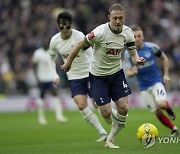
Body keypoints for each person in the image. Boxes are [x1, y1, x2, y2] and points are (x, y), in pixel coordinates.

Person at [61, 4, 145, 148]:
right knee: (106, 113)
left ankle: (110, 139)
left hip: (117, 74)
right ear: (109, 18)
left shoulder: (128, 33)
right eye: (114, 18)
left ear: (124, 17)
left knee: (124, 108)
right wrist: (68, 62)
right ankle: (111, 127)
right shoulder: (100, 32)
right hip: (98, 76)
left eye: (120, 18)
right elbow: (80, 43)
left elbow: (132, 54)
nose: (118, 21)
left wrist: (137, 59)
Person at [49, 11, 108, 142]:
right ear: (57, 25)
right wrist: (54, 74)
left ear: (71, 24)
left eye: (67, 26)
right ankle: (102, 132)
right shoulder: (54, 40)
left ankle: (113, 116)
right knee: (81, 105)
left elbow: (90, 53)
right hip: (74, 77)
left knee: (98, 105)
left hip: (88, 73)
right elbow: (51, 58)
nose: (64, 29)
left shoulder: (79, 36)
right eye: (61, 26)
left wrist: (95, 69)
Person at [123, 26, 179, 136]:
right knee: (156, 111)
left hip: (156, 82)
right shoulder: (128, 53)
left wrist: (166, 74)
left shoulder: (152, 47)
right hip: (143, 87)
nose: (137, 38)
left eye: (139, 36)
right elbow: (128, 72)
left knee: (161, 104)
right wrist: (132, 72)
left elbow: (164, 58)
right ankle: (174, 129)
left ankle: (168, 108)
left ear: (143, 36)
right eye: (134, 37)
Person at [32, 39, 67, 125]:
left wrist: (56, 75)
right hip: (41, 78)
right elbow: (33, 65)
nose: (45, 44)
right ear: (42, 44)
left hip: (51, 78)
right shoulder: (37, 53)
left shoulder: (52, 52)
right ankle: (41, 118)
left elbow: (57, 64)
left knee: (55, 94)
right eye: (44, 43)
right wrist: (36, 77)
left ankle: (59, 116)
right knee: (42, 97)